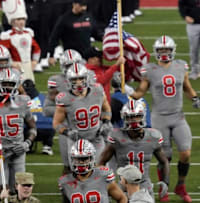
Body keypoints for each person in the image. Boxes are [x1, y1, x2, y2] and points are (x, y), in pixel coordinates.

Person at [126, 35, 199, 202]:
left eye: (167, 50)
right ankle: (164, 189)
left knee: (186, 153)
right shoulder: (150, 70)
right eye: (161, 50)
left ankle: (181, 186)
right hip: (160, 118)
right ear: (156, 51)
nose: (164, 53)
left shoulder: (181, 66)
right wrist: (128, 90)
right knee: (165, 157)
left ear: (173, 50)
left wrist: (195, 98)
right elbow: (140, 92)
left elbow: (187, 87)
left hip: (178, 116)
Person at [98, 98, 170, 199]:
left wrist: (165, 181)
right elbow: (101, 162)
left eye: (137, 116)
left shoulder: (153, 137)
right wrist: (106, 183)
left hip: (144, 185)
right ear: (124, 118)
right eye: (130, 117)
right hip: (124, 187)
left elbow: (164, 161)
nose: (134, 121)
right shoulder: (117, 137)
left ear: (143, 116)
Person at [53, 63, 112, 172]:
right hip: (76, 140)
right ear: (69, 81)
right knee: (79, 173)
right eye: (75, 79)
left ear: (87, 78)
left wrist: (106, 122)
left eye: (81, 78)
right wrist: (67, 132)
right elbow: (56, 123)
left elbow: (106, 109)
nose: (79, 82)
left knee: (102, 171)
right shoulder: (64, 98)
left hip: (96, 138)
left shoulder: (97, 90)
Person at [0, 69, 37, 194]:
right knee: (1, 191)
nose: (7, 87)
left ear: (17, 85)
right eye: (5, 83)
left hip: (18, 152)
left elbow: (33, 127)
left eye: (11, 84)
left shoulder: (23, 101)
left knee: (21, 191)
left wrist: (27, 143)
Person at [44, 49, 82, 173]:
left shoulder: (89, 78)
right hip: (67, 130)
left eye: (75, 64)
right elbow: (47, 109)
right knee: (69, 165)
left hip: (88, 128)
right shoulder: (56, 81)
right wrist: (67, 110)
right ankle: (68, 191)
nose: (72, 68)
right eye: (69, 65)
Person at [59, 139, 127, 203]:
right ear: (72, 159)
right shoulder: (66, 182)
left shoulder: (103, 176)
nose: (81, 162)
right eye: (77, 159)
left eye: (84, 159)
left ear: (92, 158)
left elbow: (122, 198)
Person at [48, 0, 103, 66]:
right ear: (74, 4)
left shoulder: (88, 17)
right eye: (81, 6)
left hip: (87, 56)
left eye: (85, 5)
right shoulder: (64, 19)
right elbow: (54, 37)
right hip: (72, 56)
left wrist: (104, 38)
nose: (83, 8)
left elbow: (95, 33)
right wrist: (51, 55)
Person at [0, 8, 41, 81]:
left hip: (28, 65)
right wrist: (11, 63)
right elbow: (0, 52)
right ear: (12, 21)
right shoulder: (8, 36)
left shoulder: (28, 33)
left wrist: (35, 61)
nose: (21, 22)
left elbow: (36, 49)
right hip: (15, 67)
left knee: (30, 86)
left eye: (23, 19)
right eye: (18, 20)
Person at [22, 79, 54, 156]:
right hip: (47, 130)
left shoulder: (22, 99)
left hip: (29, 131)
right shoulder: (44, 97)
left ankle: (28, 145)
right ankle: (47, 146)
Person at [179, 0, 200, 79]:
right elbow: (181, 4)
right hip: (192, 24)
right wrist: (184, 16)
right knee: (194, 49)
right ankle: (195, 71)